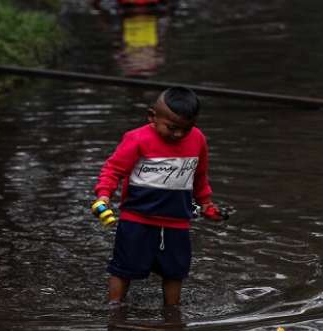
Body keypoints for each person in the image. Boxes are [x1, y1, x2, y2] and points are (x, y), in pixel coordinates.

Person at [92, 87, 224, 307]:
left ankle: (172, 314)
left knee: (175, 272)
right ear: (152, 116)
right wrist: (104, 196)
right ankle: (114, 308)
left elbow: (199, 176)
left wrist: (207, 205)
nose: (179, 134)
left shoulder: (198, 139)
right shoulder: (137, 139)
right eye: (172, 128)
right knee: (123, 269)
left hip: (177, 223)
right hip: (137, 220)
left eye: (186, 129)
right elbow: (113, 169)